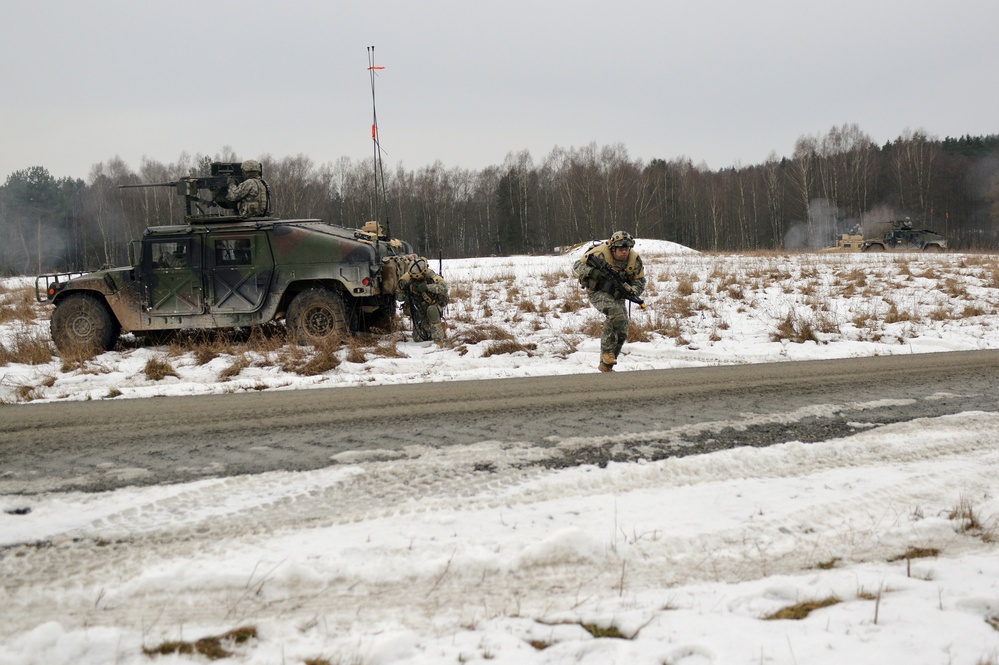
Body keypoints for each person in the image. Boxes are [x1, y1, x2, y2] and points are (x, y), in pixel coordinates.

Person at [572, 231, 646, 372]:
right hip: (597, 291)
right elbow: (577, 266)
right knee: (615, 313)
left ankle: (607, 364)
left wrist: (632, 291)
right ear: (613, 248)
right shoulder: (599, 253)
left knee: (622, 328)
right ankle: (606, 352)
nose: (624, 252)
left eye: (626, 249)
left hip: (617, 293)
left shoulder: (634, 260)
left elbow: (640, 281)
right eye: (620, 249)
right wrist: (593, 273)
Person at [396, 256, 449, 343]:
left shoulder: (431, 276)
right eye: (416, 277)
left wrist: (427, 287)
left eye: (420, 277)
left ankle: (438, 340)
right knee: (418, 338)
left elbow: (444, 288)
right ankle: (434, 327)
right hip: (419, 308)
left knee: (432, 311)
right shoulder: (406, 280)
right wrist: (407, 297)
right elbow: (397, 295)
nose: (418, 279)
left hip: (433, 305)